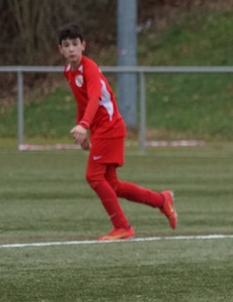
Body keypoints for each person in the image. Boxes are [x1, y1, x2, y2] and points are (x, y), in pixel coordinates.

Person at [58, 23, 177, 241]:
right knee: (113, 185)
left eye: (75, 44)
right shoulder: (68, 71)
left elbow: (95, 98)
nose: (71, 49)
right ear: (61, 50)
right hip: (100, 129)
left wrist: (84, 125)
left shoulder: (89, 68)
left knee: (93, 177)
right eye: (66, 45)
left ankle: (122, 226)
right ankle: (162, 200)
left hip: (110, 127)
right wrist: (82, 130)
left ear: (83, 45)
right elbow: (82, 102)